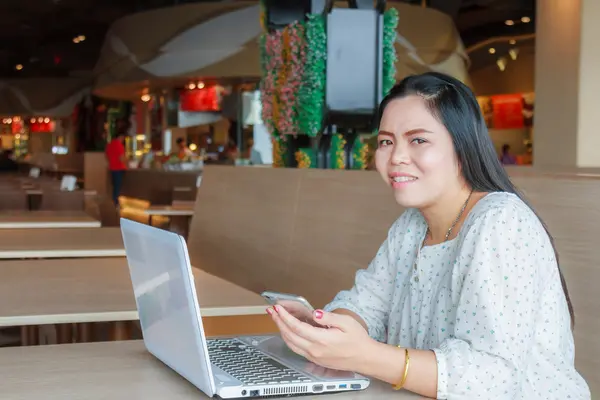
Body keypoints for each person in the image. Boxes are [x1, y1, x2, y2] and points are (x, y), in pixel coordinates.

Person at [266, 72, 590, 399]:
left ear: (463, 146)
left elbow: (493, 379)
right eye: (386, 141)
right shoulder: (411, 225)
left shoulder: (501, 222)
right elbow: (366, 304)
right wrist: (326, 327)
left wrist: (365, 355)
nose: (396, 157)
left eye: (418, 140)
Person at [105, 132, 128, 206]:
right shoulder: (119, 145)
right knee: (118, 187)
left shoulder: (109, 145)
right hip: (119, 168)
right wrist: (127, 161)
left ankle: (114, 202)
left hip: (112, 168)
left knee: (114, 186)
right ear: (121, 137)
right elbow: (121, 158)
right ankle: (116, 203)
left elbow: (107, 156)